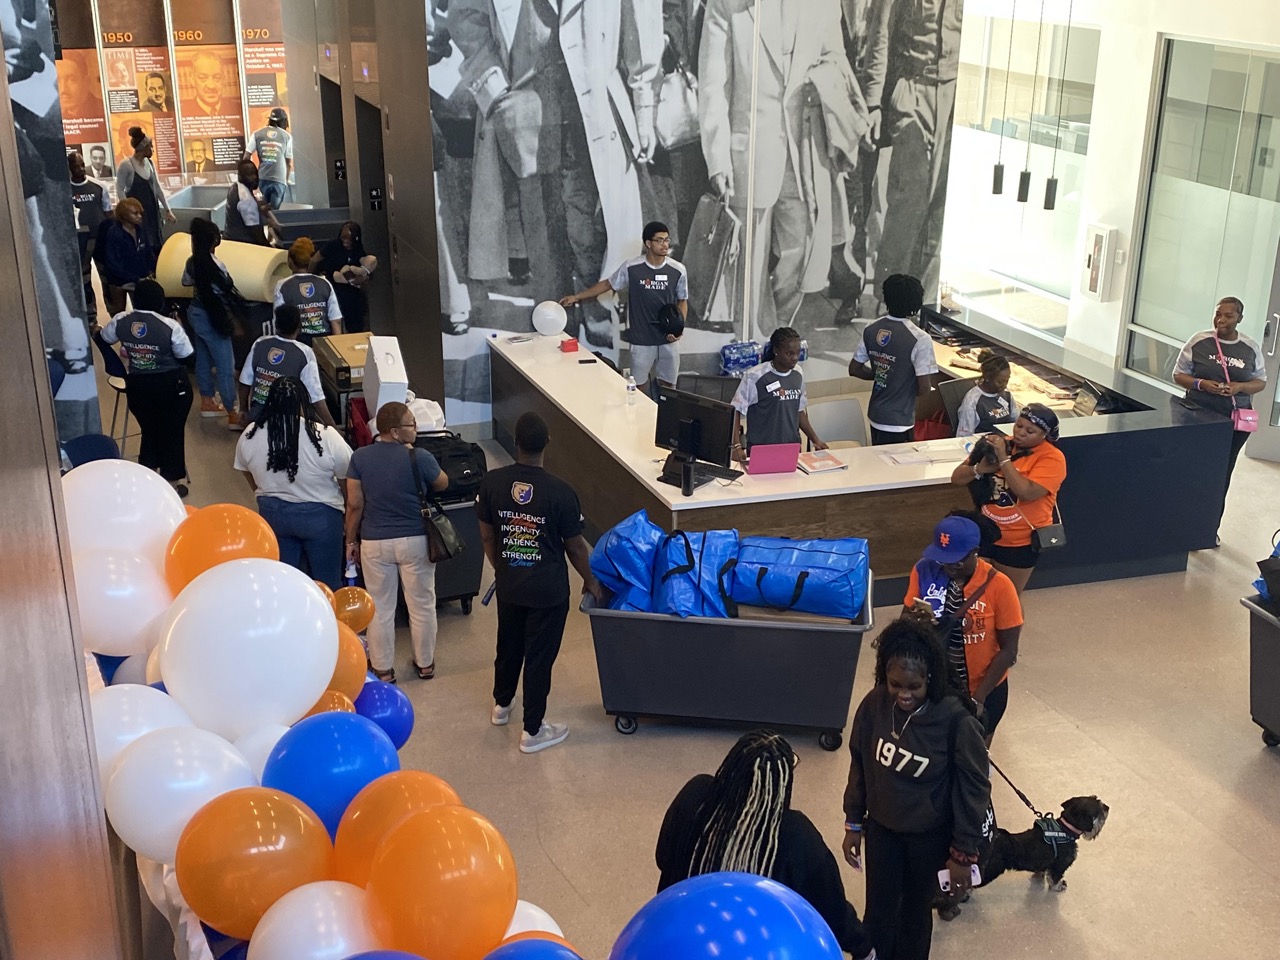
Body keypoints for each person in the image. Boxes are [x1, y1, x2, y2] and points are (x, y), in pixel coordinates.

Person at [451, 0, 660, 349]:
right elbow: (463, 15)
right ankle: (554, 341)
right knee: (544, 239)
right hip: (528, 109)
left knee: (594, 227)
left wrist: (644, 103)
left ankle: (598, 326)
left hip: (595, 111)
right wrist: (496, 89)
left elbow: (641, 19)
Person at [699, 0, 866, 339]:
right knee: (750, 264)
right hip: (749, 155)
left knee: (803, 252)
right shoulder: (727, 5)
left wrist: (819, 79)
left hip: (804, 151)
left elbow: (837, 60)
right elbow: (713, 85)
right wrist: (718, 158)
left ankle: (774, 329)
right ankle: (755, 341)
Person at [842, 617, 991, 960]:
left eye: (913, 686)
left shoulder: (955, 721)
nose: (903, 694)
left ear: (930, 679)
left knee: (913, 915)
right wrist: (853, 822)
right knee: (878, 913)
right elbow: (859, 763)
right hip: (882, 830)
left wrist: (962, 855)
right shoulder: (875, 704)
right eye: (895, 684)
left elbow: (973, 791)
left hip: (928, 837)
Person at [656, 730, 877, 960]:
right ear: (782, 783)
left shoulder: (695, 795)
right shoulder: (795, 834)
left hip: (677, 935)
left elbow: (663, 857)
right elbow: (830, 907)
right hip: (755, 949)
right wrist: (862, 947)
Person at [477, 412, 603, 754]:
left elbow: (487, 537)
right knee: (538, 657)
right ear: (547, 444)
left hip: (510, 585)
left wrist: (502, 568)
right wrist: (590, 580)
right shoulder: (560, 492)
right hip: (547, 591)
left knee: (509, 644)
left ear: (516, 442)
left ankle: (502, 706)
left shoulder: (492, 484)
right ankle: (533, 730)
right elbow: (575, 546)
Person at [345, 402, 450, 683]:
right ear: (394, 430)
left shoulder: (359, 458)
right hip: (415, 540)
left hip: (374, 542)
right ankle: (425, 664)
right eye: (411, 424)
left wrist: (350, 541)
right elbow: (443, 483)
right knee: (422, 604)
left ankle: (383, 669)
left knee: (380, 607)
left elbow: (355, 504)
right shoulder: (420, 457)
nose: (415, 428)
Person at [864, 0, 962, 300]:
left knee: (940, 208)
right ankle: (890, 301)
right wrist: (873, 101)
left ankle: (923, 303)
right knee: (908, 201)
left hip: (956, 91)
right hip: (912, 90)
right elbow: (880, 31)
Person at [902, 515, 1022, 745]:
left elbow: (1009, 651)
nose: (949, 567)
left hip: (984, 688)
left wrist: (979, 698)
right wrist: (915, 622)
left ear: (975, 552)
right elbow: (905, 618)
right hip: (935, 685)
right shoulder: (923, 570)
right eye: (943, 559)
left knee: (974, 754)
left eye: (956, 560)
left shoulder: (1000, 585)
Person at [235, 376, 353, 589]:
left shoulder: (250, 435)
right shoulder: (325, 437)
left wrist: (267, 490)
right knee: (327, 583)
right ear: (303, 403)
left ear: (270, 401)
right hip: (321, 519)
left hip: (273, 515)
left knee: (285, 582)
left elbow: (246, 472)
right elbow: (348, 482)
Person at [1172, 296, 1267, 535]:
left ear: (1239, 319)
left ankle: (1208, 529)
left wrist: (1239, 387)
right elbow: (1178, 374)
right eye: (1218, 314)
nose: (1221, 320)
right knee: (1193, 472)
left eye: (1228, 316)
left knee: (1221, 475)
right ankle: (1182, 525)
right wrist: (1201, 383)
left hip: (1234, 422)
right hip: (1198, 417)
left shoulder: (1250, 347)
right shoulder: (1199, 341)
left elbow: (1260, 382)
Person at [949, 404, 1067, 594]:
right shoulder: (998, 444)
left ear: (1044, 435)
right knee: (974, 593)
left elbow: (1026, 492)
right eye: (1019, 426)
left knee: (1007, 596)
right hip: (986, 533)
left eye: (1030, 431)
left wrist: (1004, 460)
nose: (1021, 433)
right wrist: (980, 469)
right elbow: (957, 478)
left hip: (1020, 541)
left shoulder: (1052, 458)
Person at [559, 222, 687, 394]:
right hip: (641, 340)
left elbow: (682, 301)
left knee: (669, 389)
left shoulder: (678, 270)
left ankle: (665, 420)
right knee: (639, 389)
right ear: (648, 243)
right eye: (660, 240)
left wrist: (678, 329)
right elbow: (607, 284)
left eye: (667, 240)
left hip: (668, 340)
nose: (665, 244)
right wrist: (577, 297)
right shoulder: (632, 267)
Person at [96, 279, 194, 496]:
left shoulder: (121, 320)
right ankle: (171, 484)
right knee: (172, 432)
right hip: (171, 387)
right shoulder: (170, 326)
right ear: (160, 302)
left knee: (149, 430)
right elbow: (187, 357)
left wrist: (122, 361)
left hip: (138, 387)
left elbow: (103, 337)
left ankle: (148, 478)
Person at [849, 273, 939, 444]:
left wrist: (880, 375)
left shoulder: (871, 328)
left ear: (886, 298)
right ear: (916, 303)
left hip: (876, 414)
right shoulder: (920, 339)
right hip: (900, 420)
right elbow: (924, 388)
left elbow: (854, 369)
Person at [731, 326, 827, 460]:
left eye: (797, 353)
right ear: (776, 351)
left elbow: (798, 411)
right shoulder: (755, 375)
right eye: (789, 353)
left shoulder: (798, 373)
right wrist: (736, 446)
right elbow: (735, 411)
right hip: (761, 448)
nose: (795, 358)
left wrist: (815, 440)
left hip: (792, 447)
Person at [182, 217, 243, 424]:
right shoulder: (217, 265)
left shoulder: (192, 262)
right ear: (213, 241)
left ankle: (207, 400)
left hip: (196, 313)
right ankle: (232, 411)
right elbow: (227, 289)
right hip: (215, 317)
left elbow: (185, 282)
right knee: (226, 365)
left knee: (204, 358)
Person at [238, 303, 335, 427]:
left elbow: (244, 382)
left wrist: (243, 410)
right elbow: (316, 398)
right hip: (288, 424)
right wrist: (333, 427)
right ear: (299, 326)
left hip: (257, 418)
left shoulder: (260, 343)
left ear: (276, 325)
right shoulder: (305, 352)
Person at [115, 127, 175, 253]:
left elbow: (157, 188)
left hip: (152, 212)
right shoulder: (127, 165)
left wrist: (167, 209)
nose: (152, 150)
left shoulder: (150, 163)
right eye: (150, 146)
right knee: (142, 244)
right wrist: (127, 213)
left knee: (156, 243)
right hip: (137, 214)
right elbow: (120, 189)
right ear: (143, 148)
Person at [69, 152, 112, 325]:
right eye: (75, 166)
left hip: (100, 239)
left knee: (107, 277)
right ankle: (91, 317)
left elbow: (108, 212)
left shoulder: (99, 186)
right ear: (70, 168)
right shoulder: (66, 189)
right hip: (80, 241)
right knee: (85, 278)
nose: (80, 169)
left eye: (81, 164)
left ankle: (113, 312)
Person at [312, 221, 377, 333]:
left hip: (352, 293)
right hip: (333, 288)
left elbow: (366, 269)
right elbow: (314, 260)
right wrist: (311, 276)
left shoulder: (357, 249)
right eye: (343, 238)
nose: (346, 242)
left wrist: (364, 278)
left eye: (349, 239)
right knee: (334, 320)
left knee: (355, 323)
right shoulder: (333, 245)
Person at [274, 238, 343, 344]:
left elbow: (280, 322)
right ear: (310, 260)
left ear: (290, 261)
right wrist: (339, 348)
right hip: (324, 342)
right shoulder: (325, 283)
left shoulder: (282, 286)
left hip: (298, 342)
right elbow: (336, 320)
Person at [99, 198, 156, 317]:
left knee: (142, 312)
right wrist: (133, 278)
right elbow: (112, 263)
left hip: (140, 278)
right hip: (119, 280)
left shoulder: (141, 230)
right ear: (124, 215)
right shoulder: (114, 233)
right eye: (135, 213)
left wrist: (152, 270)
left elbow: (148, 253)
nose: (139, 216)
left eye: (140, 213)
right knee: (118, 315)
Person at [955, 350, 1020, 436]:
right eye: (1000, 382)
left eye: (1007, 380)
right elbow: (964, 435)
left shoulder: (1006, 394)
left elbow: (1016, 420)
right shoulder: (973, 400)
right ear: (988, 378)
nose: (1004, 385)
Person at [243, 108, 293, 209]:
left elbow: (246, 157)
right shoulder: (287, 136)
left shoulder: (257, 134)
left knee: (263, 210)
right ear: (284, 121)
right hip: (279, 180)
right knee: (275, 211)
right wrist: (286, 181)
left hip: (262, 178)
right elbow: (288, 163)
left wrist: (251, 176)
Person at [224, 159, 278, 245]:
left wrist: (260, 208)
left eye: (255, 173)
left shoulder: (235, 187)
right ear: (240, 176)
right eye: (249, 175)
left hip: (231, 240)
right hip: (243, 245)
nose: (255, 177)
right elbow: (257, 235)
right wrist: (271, 249)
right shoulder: (247, 200)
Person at [188, 52, 227, 117]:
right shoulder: (184, 111)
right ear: (192, 80)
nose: (211, 86)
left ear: (224, 79)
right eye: (202, 78)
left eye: (217, 78)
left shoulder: (236, 108)